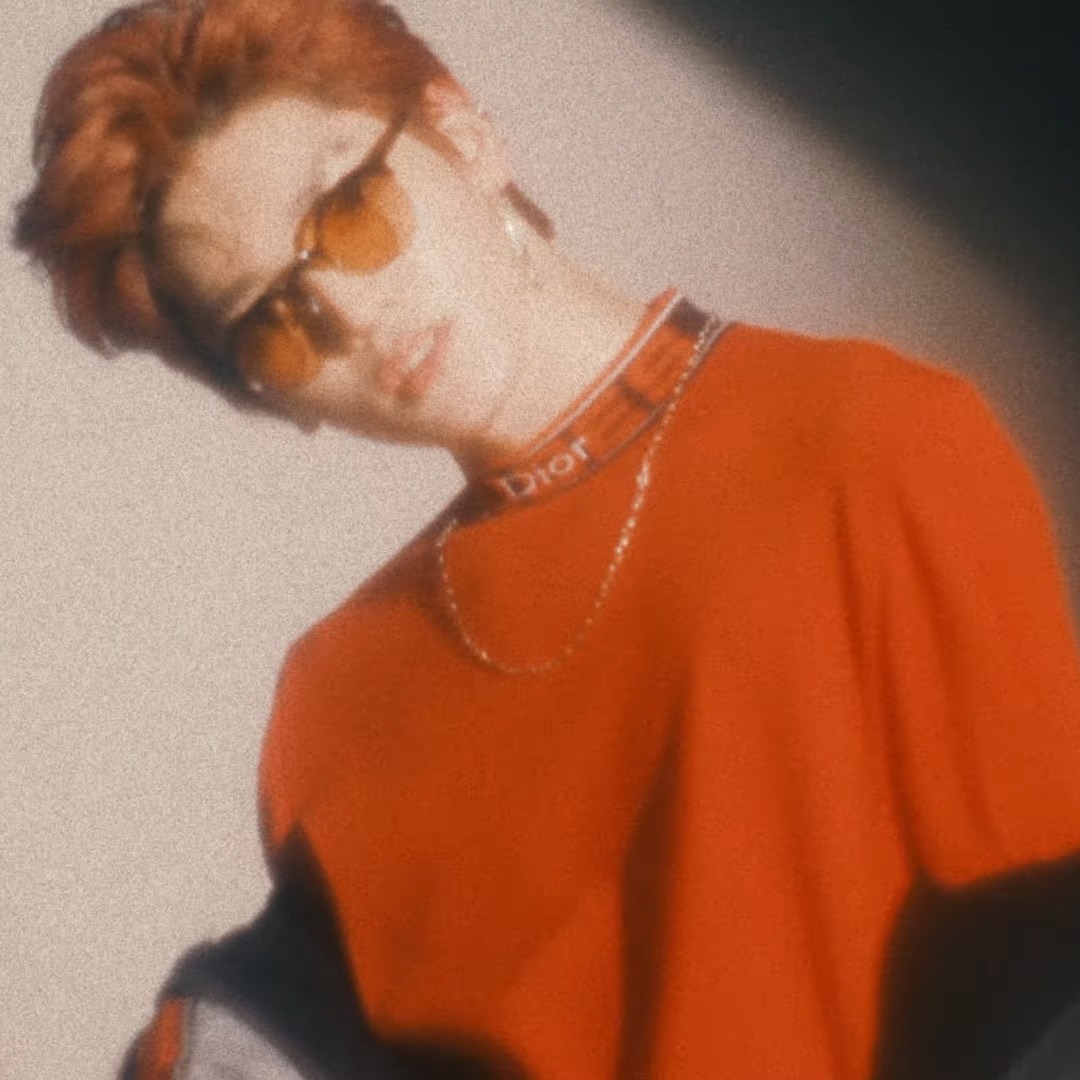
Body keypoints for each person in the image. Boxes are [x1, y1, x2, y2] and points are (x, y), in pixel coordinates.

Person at [13, 0, 1080, 1077]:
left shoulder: (867, 440)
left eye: (348, 206)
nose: (347, 314)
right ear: (274, 402)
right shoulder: (333, 696)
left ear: (462, 133)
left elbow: (1046, 966)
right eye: (272, 322)